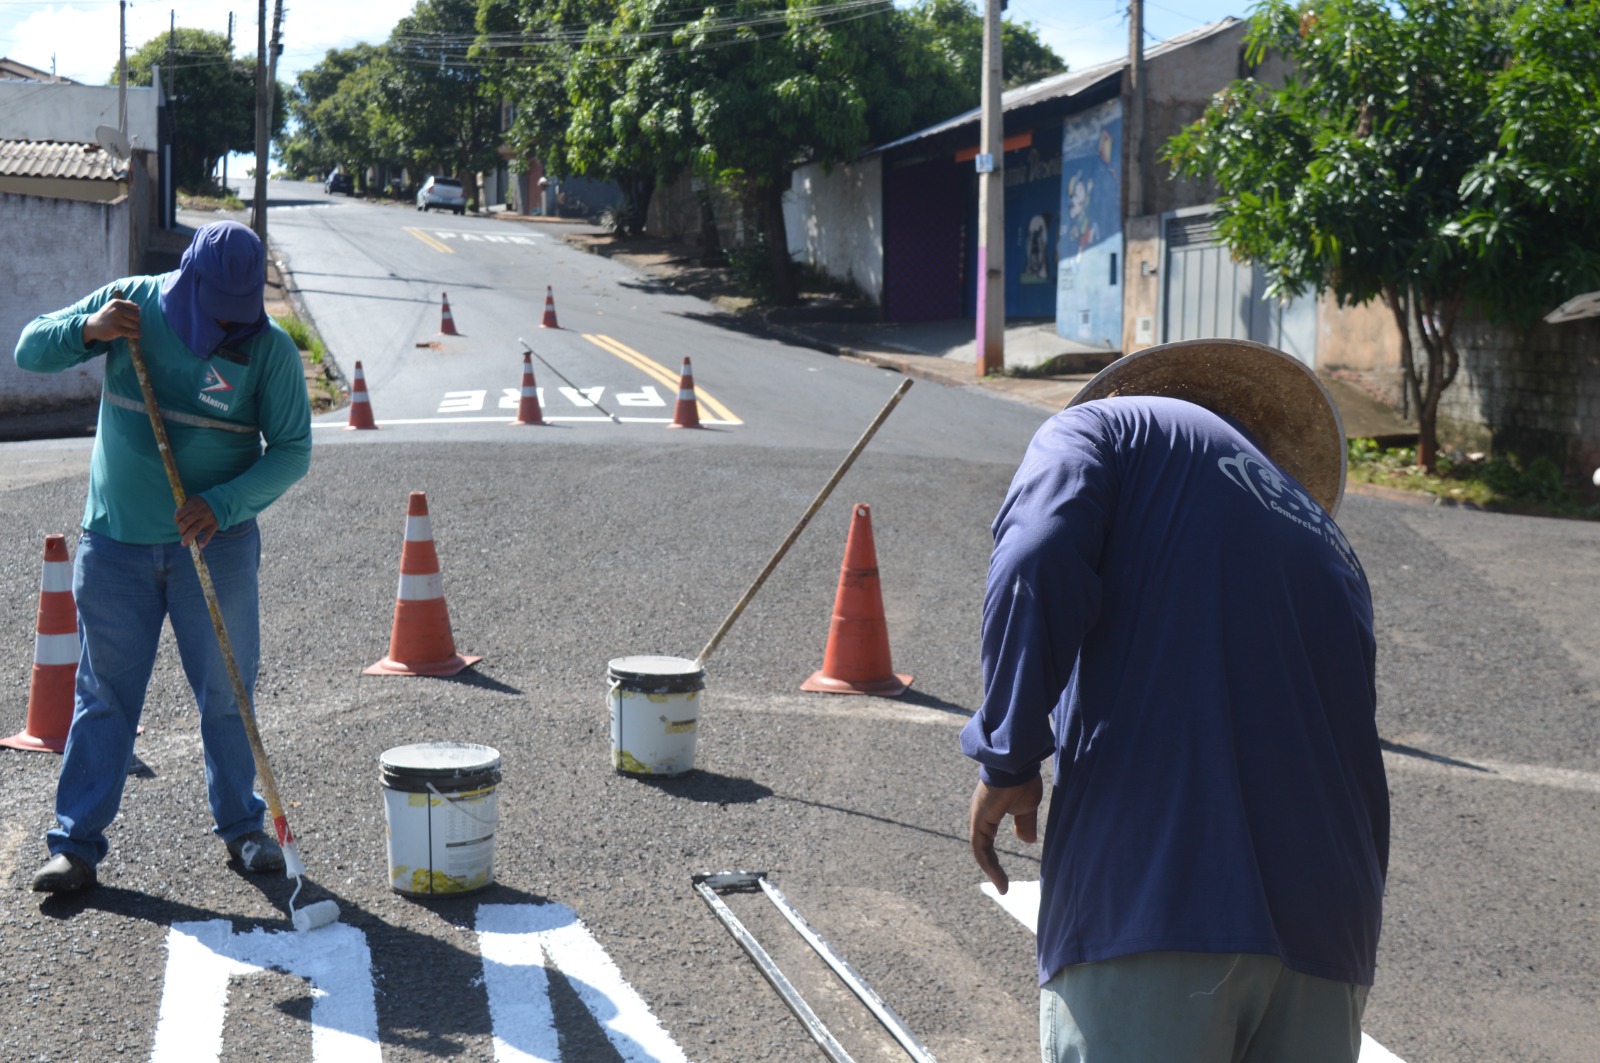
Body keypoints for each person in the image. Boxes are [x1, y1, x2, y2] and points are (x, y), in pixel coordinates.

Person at [962, 338, 1389, 1063]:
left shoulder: (1105, 426)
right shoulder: (1333, 545)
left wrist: (1008, 755)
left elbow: (1036, 552)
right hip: (1332, 936)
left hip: (1158, 900)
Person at [16, 220, 313, 893]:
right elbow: (29, 349)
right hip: (116, 542)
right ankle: (76, 845)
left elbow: (293, 450)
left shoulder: (268, 351)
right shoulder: (131, 307)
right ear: (190, 283)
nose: (230, 329)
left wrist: (225, 503)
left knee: (228, 692)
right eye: (219, 314)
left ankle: (244, 829)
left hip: (217, 546)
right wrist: (88, 330)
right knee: (104, 696)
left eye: (243, 317)